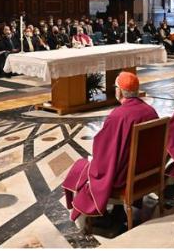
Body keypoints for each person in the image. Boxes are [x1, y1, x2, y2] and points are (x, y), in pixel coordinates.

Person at [62, 71, 159, 231]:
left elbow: (105, 149)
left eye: (115, 87)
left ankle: (98, 213)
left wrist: (94, 160)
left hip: (126, 179)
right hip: (147, 173)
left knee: (83, 168)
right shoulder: (150, 111)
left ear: (119, 91)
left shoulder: (118, 116)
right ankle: (119, 209)